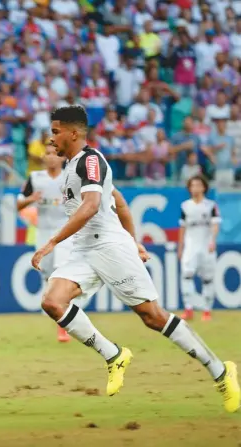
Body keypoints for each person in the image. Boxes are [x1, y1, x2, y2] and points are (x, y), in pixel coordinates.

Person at [32, 106, 239, 413]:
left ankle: (221, 372)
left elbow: (91, 207)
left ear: (73, 133)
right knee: (52, 301)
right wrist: (136, 239)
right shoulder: (74, 166)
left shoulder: (91, 161)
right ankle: (114, 355)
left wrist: (52, 240)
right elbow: (121, 204)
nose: (52, 138)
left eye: (56, 131)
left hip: (109, 248)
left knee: (153, 317)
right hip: (85, 250)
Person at [17, 144, 73, 343]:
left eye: (54, 154)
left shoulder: (70, 176)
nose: (50, 157)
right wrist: (31, 199)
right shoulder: (35, 178)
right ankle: (62, 314)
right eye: (47, 153)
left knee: (61, 273)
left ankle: (63, 328)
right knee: (49, 276)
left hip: (65, 232)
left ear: (61, 157)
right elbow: (18, 203)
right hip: (43, 233)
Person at [178, 176, 220, 322]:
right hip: (190, 246)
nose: (195, 188)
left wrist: (213, 241)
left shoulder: (211, 205)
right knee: (187, 276)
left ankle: (207, 311)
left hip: (206, 246)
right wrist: (180, 247)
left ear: (204, 187)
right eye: (192, 185)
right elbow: (182, 228)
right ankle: (188, 308)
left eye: (198, 185)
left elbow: (215, 224)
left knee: (208, 279)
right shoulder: (185, 206)